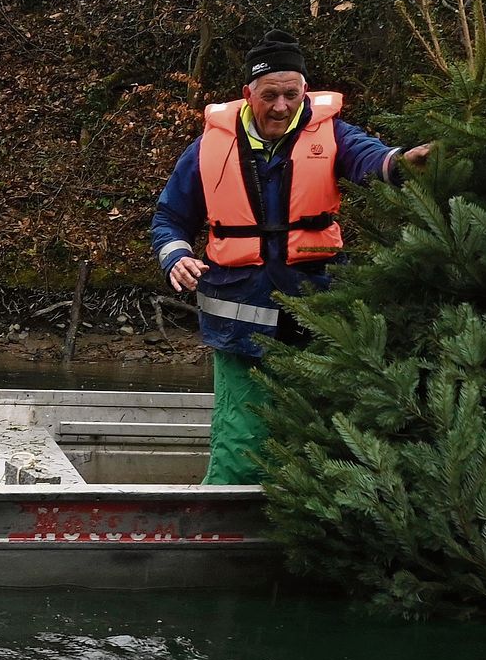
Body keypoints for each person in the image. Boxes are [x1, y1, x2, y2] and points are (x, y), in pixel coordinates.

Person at [151, 33, 429, 484]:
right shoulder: (208, 148)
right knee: (241, 432)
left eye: (291, 94)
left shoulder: (332, 134)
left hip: (316, 309)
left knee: (317, 428)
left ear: (304, 91)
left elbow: (371, 159)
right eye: (270, 95)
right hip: (238, 317)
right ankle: (225, 524)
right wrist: (176, 256)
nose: (281, 106)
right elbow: (169, 217)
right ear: (248, 95)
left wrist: (402, 163)